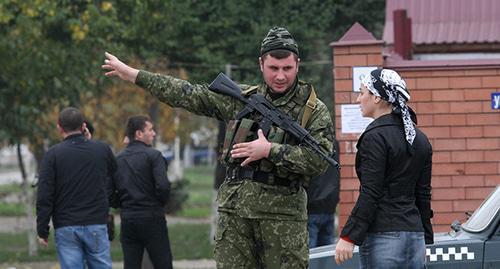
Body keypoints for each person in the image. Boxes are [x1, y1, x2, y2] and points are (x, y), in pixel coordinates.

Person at [103, 26, 335, 268]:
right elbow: (188, 94)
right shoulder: (243, 98)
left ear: (298, 64)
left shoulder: (313, 110)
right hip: (235, 216)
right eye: (273, 68)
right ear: (260, 64)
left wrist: (269, 151)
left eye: (287, 68)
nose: (280, 76)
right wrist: (134, 75)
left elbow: (319, 160)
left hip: (283, 220)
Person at [334, 69, 433, 268]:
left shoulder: (374, 137)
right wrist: (426, 236)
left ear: (377, 97)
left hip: (384, 237)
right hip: (415, 237)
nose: (358, 99)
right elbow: (422, 194)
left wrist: (349, 236)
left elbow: (371, 192)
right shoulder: (420, 139)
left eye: (362, 92)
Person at [36, 107, 117, 269]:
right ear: (83, 126)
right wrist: (89, 141)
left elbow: (45, 194)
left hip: (66, 225)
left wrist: (42, 229)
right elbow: (113, 175)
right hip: (96, 222)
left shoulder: (53, 155)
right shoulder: (101, 150)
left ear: (59, 127)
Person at [112, 115, 173, 269]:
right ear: (139, 134)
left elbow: (108, 191)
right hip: (152, 217)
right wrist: (158, 203)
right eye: (150, 130)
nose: (154, 133)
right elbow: (163, 186)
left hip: (128, 219)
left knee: (131, 264)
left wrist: (122, 204)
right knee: (163, 263)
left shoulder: (117, 159)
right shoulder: (154, 156)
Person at [307, 139, 340, 248]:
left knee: (310, 258)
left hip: (311, 206)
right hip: (329, 205)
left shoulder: (307, 141)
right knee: (327, 256)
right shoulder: (333, 143)